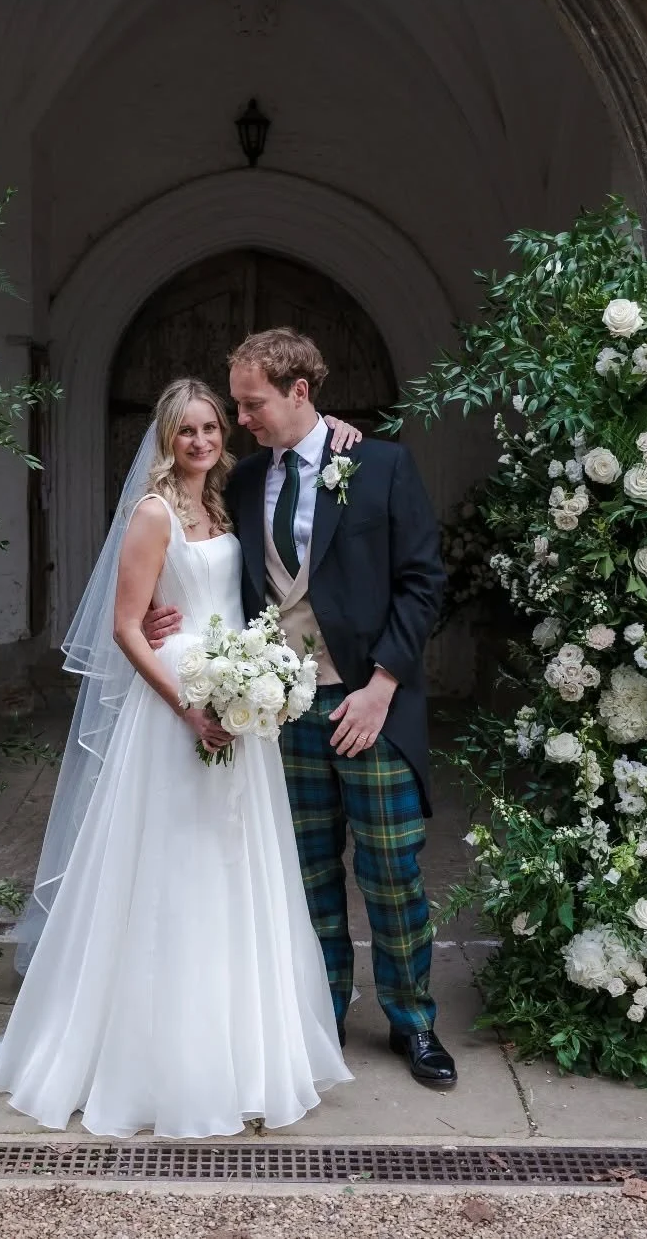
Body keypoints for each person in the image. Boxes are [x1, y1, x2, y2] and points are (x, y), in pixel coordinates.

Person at [0, 378, 357, 1138]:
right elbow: (127, 626)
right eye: (186, 431)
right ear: (164, 438)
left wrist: (253, 681)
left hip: (239, 702)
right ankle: (155, 1057)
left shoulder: (229, 502)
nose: (201, 441)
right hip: (175, 708)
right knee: (168, 869)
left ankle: (244, 1050)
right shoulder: (152, 513)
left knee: (236, 866)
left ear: (226, 434)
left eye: (212, 427)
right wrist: (188, 705)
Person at [145, 329, 453, 1088]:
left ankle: (414, 1023)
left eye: (251, 404)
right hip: (277, 711)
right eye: (238, 404)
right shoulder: (243, 482)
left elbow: (424, 585)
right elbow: (196, 552)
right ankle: (319, 1021)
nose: (239, 418)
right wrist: (160, 613)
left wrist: (381, 685)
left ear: (299, 393)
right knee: (303, 872)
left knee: (390, 872)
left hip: (367, 705)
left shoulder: (379, 465)